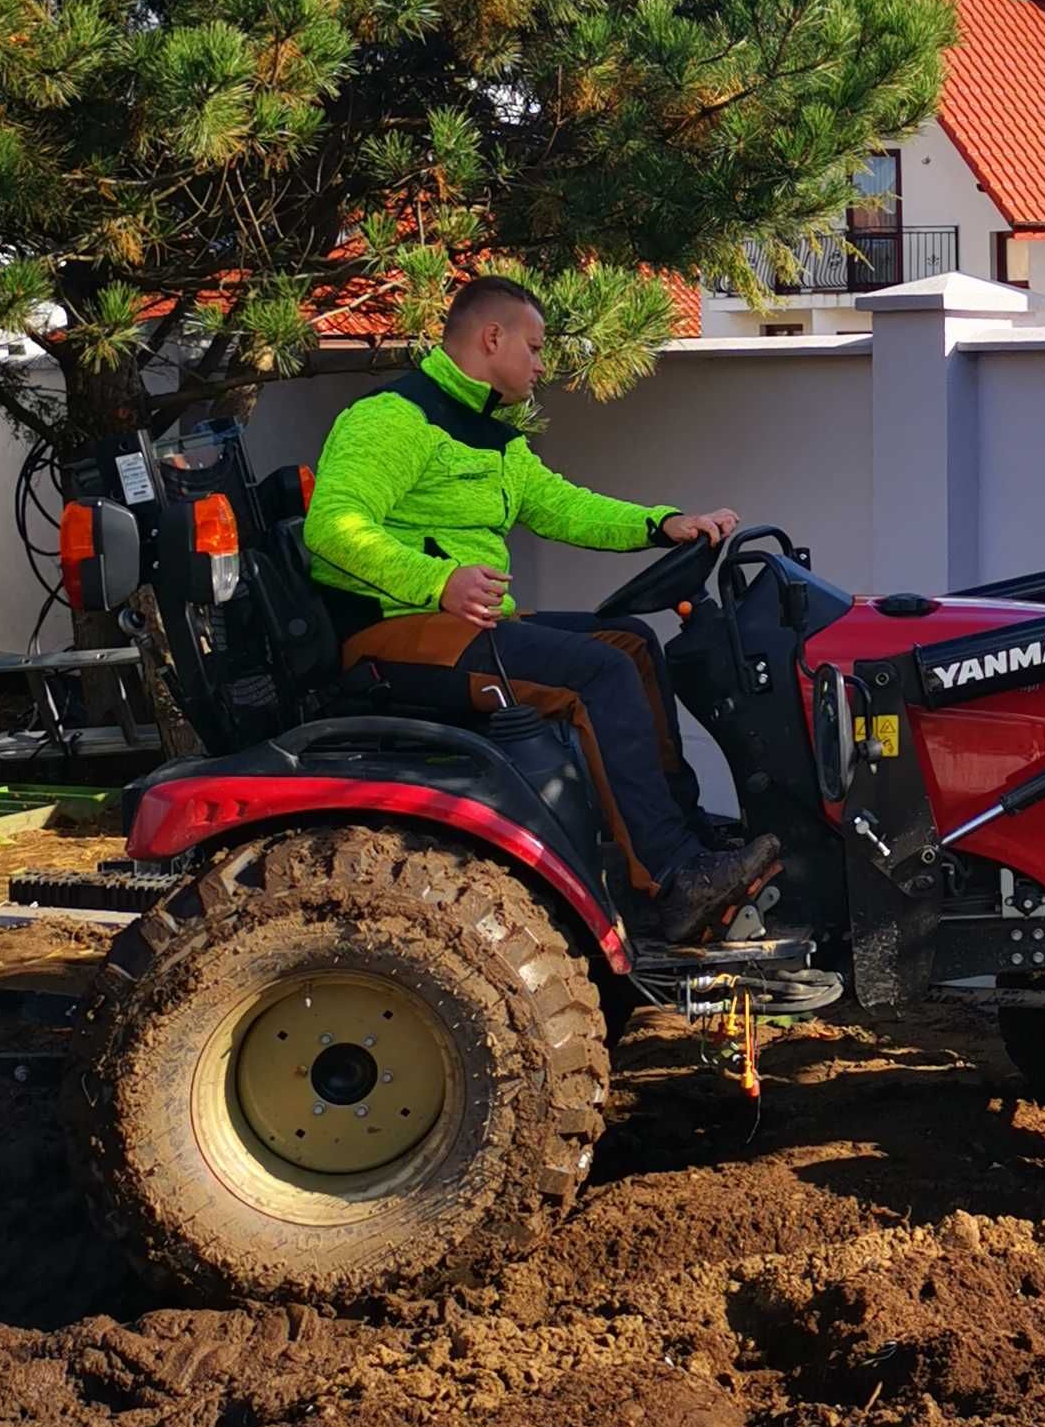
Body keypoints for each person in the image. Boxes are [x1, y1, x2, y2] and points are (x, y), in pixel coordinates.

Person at [302, 276, 779, 945]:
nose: (541, 363)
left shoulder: (489, 434)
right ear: (490, 338)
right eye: (533, 346)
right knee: (597, 673)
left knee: (631, 643)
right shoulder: (391, 418)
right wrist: (438, 582)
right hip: (394, 633)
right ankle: (668, 880)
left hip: (462, 625)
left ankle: (686, 840)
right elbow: (331, 526)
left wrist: (664, 522)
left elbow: (561, 505)